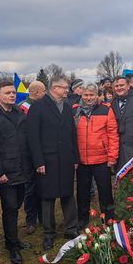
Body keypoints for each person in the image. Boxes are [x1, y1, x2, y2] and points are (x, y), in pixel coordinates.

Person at [27, 76, 79, 251]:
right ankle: (49, 234)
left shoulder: (66, 107)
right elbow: (32, 137)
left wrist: (75, 158)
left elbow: (72, 134)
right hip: (46, 160)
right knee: (48, 197)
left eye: (67, 88)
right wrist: (38, 161)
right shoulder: (38, 107)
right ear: (53, 88)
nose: (67, 90)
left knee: (67, 194)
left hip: (66, 158)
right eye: (64, 88)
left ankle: (71, 228)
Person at [0, 81, 32, 264]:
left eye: (13, 92)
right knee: (10, 208)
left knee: (17, 204)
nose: (12, 95)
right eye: (8, 93)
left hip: (21, 169)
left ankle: (14, 239)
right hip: (5, 171)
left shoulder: (19, 113)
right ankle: (12, 246)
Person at [73, 83, 119, 230]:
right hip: (81, 159)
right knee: (82, 192)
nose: (88, 98)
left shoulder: (106, 109)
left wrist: (112, 156)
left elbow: (113, 134)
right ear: (82, 95)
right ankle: (82, 218)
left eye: (92, 95)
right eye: (86, 95)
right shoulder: (75, 110)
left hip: (101, 159)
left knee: (105, 190)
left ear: (97, 95)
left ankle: (109, 217)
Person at [18, 80, 46, 233]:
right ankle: (31, 220)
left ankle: (43, 217)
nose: (45, 94)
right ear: (36, 93)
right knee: (30, 187)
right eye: (43, 91)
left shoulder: (43, 106)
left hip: (42, 152)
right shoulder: (23, 107)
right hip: (28, 155)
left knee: (43, 185)